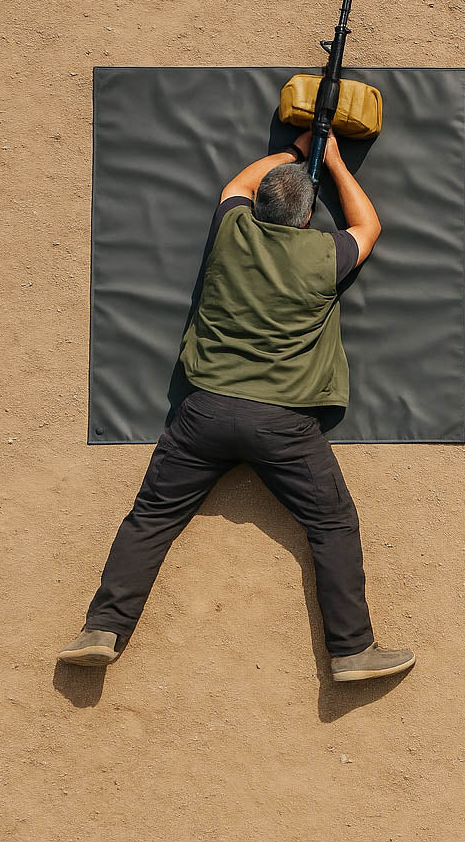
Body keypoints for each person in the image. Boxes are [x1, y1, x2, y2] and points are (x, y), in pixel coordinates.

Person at [58, 132, 414, 682]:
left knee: (153, 516)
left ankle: (102, 629)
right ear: (306, 219)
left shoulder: (231, 232)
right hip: (284, 424)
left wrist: (294, 151)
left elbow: (237, 185)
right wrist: (336, 163)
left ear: (260, 208)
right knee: (332, 522)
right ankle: (351, 651)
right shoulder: (324, 254)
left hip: (204, 414)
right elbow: (368, 225)